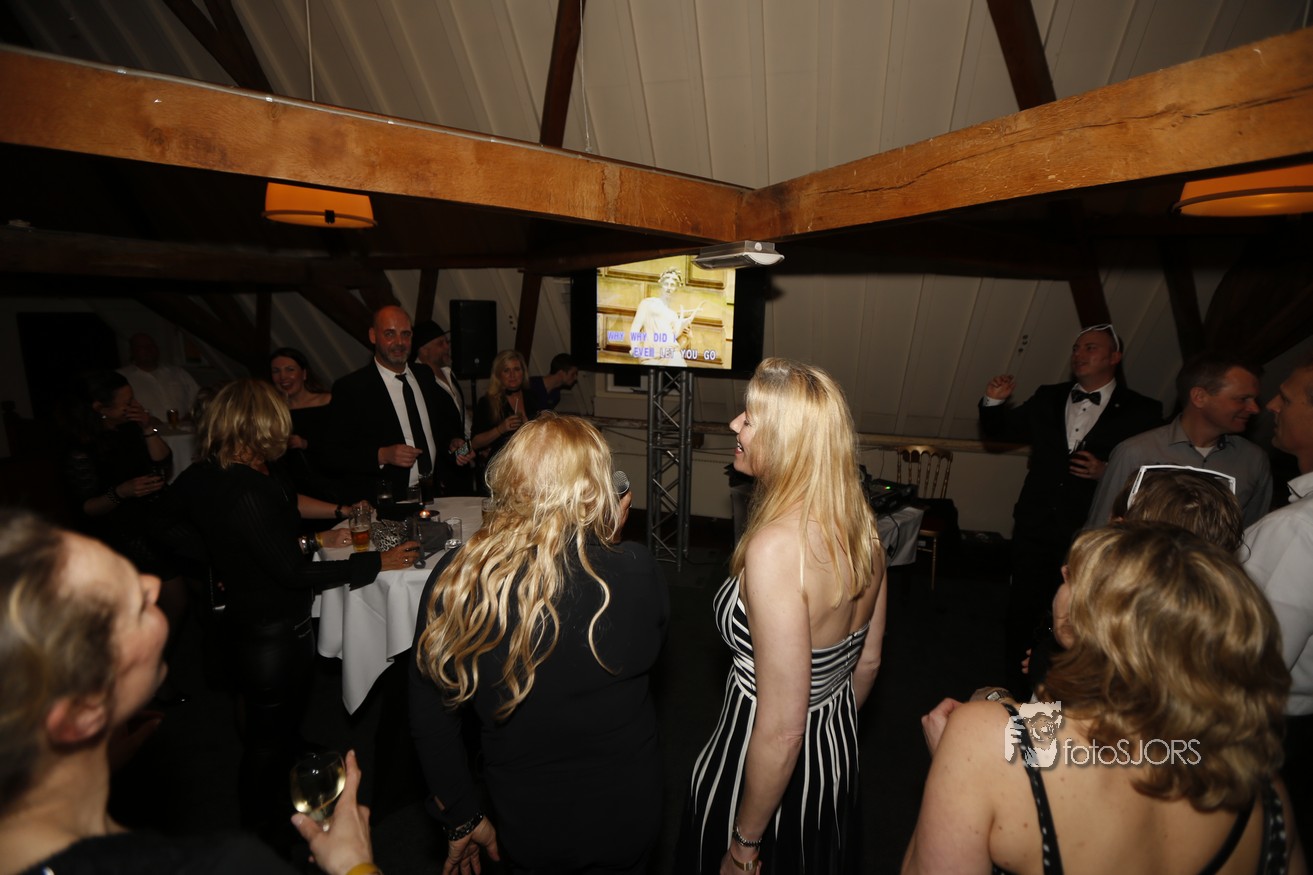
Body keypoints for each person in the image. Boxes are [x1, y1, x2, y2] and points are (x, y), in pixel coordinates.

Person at [906, 523, 1303, 875]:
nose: (1064, 574)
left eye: (1079, 575)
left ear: (1106, 622)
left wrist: (958, 765)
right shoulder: (1262, 787)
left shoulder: (985, 737)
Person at [0, 509, 378, 875]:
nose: (149, 585)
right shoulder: (230, 864)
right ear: (80, 715)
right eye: (113, 605)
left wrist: (97, 755)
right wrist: (354, 866)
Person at [409, 414, 668, 873]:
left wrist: (461, 814)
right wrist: (607, 532)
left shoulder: (460, 579)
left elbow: (430, 710)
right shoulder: (636, 568)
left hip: (527, 817)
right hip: (625, 807)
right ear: (594, 490)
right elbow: (643, 641)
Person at [167, 379, 417, 848]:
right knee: (264, 743)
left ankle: (285, 757)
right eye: (278, 419)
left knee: (275, 722)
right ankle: (261, 831)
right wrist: (376, 562)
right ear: (255, 424)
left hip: (274, 620)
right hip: (267, 632)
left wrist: (319, 533)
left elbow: (280, 515)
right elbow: (292, 572)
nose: (286, 428)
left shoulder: (254, 468)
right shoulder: (236, 487)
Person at [676, 357, 887, 874]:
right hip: (834, 752)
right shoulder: (864, 529)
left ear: (786, 441)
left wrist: (744, 845)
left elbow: (782, 730)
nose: (734, 424)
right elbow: (867, 664)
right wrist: (825, 730)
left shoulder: (775, 549)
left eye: (749, 418)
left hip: (759, 767)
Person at [979, 323, 1161, 696]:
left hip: (1092, 528)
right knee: (1023, 607)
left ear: (1115, 357)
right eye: (1077, 347)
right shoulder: (1048, 396)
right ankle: (1017, 689)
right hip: (1036, 522)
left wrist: (1108, 471)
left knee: (1078, 615)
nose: (1079, 354)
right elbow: (1002, 431)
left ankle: (1065, 691)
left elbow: (1153, 474)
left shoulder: (1143, 410)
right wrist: (993, 402)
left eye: (1091, 347)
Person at [1243, 354, 1313, 856]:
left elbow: (1255, 666)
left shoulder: (1296, 530)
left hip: (1277, 737)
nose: (1270, 405)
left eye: (1285, 399)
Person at [1086, 351, 1272, 529]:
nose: (1255, 409)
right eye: (1242, 399)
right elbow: (1100, 528)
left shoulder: (1254, 461)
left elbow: (1252, 536)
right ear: (1199, 397)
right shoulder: (1135, 452)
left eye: (1254, 399)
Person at [320, 306, 472, 503]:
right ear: (373, 335)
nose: (399, 342)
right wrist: (382, 455)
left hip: (432, 496)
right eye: (390, 334)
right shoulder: (352, 388)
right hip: (385, 502)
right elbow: (330, 455)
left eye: (405, 334)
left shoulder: (424, 375)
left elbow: (436, 429)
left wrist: (452, 443)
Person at [269, 347, 355, 512]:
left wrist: (306, 444)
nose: (283, 377)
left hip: (334, 485)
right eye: (276, 371)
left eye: (290, 370)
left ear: (304, 374)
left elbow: (348, 444)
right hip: (297, 492)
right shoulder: (271, 412)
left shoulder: (329, 401)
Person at [410, 321, 474, 495]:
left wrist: (471, 444)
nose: (447, 347)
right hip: (437, 467)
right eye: (440, 343)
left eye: (447, 342)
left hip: (459, 460)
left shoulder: (448, 372)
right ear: (423, 350)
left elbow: (462, 419)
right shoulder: (415, 380)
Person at [470, 349, 536, 467]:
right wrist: (500, 429)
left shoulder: (531, 397)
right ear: (498, 375)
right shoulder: (487, 402)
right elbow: (473, 443)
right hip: (501, 466)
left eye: (516, 369)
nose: (512, 375)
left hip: (530, 462)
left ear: (523, 372)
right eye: (506, 370)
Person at [118, 332, 201, 424]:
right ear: (132, 351)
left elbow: (199, 399)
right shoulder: (122, 377)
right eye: (142, 347)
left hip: (184, 429)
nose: (148, 349)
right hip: (145, 430)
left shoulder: (178, 373)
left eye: (151, 345)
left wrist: (190, 416)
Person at [627, 267, 699, 366]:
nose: (668, 288)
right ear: (661, 284)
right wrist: (635, 347)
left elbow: (675, 344)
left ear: (676, 288)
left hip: (671, 353)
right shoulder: (647, 303)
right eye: (666, 284)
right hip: (651, 354)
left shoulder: (673, 314)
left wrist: (689, 338)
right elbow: (635, 327)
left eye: (672, 285)